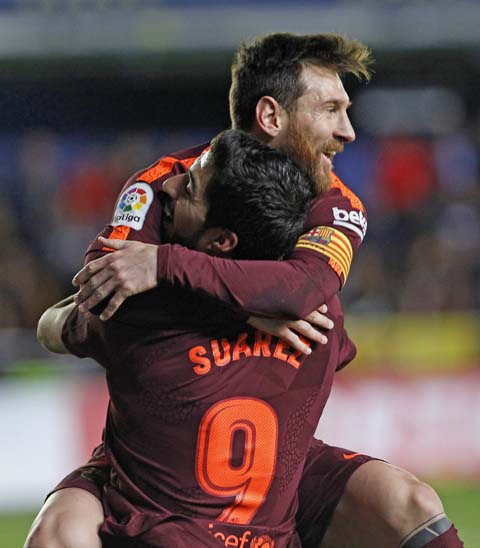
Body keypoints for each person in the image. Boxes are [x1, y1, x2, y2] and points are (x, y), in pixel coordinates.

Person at [25, 33, 463, 548]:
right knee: (61, 528)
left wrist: (169, 265)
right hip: (163, 445)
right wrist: (253, 298)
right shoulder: (163, 184)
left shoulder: (335, 202)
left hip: (276, 449)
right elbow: (102, 294)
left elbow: (304, 290)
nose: (347, 131)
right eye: (330, 110)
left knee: (409, 503)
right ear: (272, 117)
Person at [34, 127, 348, 548]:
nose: (170, 185)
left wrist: (163, 268)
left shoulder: (138, 318)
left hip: (162, 526)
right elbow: (316, 307)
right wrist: (249, 307)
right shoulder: (322, 323)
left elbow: (50, 328)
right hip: (271, 528)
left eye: (191, 189)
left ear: (221, 241)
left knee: (58, 530)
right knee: (409, 501)